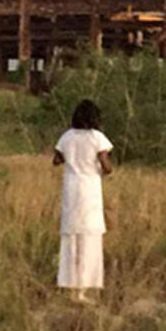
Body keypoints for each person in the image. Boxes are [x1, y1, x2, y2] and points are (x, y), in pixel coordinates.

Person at [52, 99, 114, 305]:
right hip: (89, 189)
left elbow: (56, 160)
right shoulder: (97, 138)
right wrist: (99, 168)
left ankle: (71, 287)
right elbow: (107, 166)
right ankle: (83, 289)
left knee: (71, 236)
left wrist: (72, 158)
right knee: (89, 236)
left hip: (71, 189)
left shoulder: (67, 136)